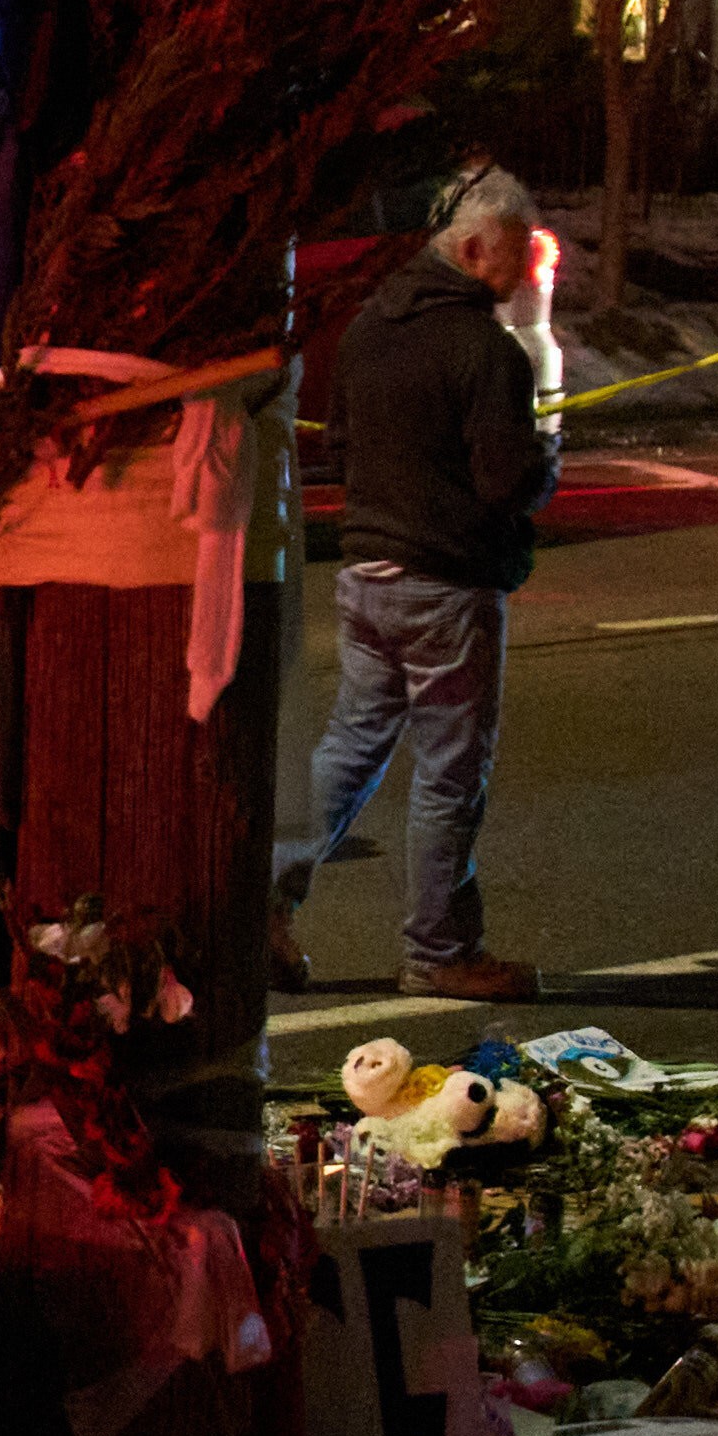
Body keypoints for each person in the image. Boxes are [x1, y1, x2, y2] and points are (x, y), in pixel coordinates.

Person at [284, 163, 556, 1001]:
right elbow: (506, 479)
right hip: (445, 584)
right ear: (474, 251)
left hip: (367, 575)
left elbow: (338, 447)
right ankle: (438, 950)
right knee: (448, 770)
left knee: (349, 746)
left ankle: (260, 906)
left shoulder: (370, 328)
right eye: (513, 252)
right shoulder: (485, 351)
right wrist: (544, 462)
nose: (521, 270)